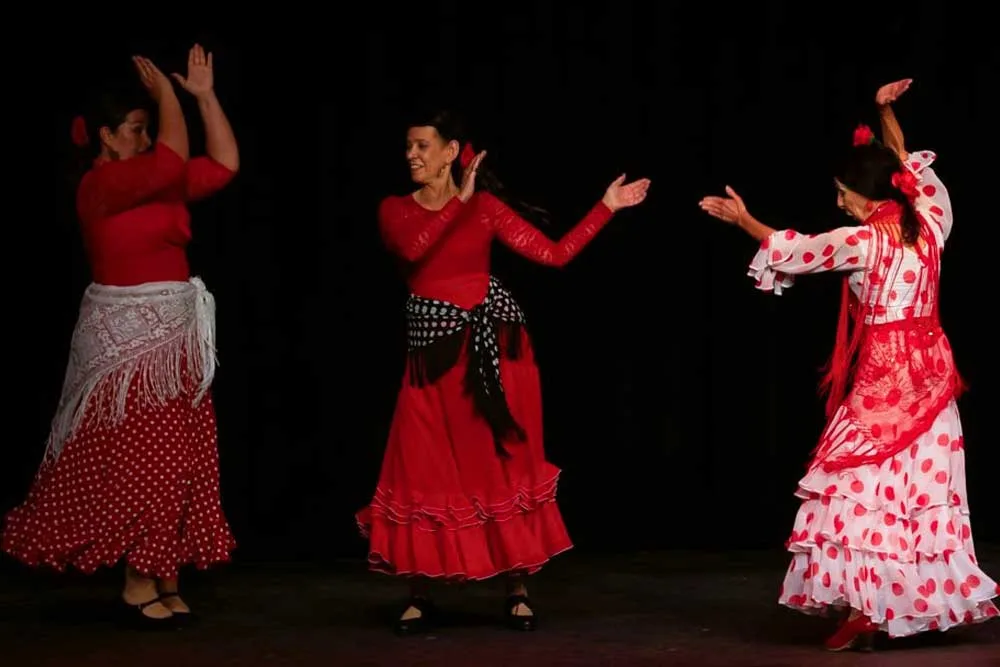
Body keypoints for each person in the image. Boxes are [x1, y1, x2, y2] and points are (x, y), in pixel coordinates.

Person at [699, 79, 998, 651]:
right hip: (931, 378)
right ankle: (909, 605)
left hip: (885, 384)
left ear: (862, 196)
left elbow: (792, 250)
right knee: (920, 494)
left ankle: (874, 607)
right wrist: (887, 111)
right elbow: (905, 160)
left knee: (860, 491)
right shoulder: (934, 219)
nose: (838, 201)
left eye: (841, 192)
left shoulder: (863, 242)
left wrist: (744, 222)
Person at [356, 108, 650, 634]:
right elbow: (414, 248)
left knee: (501, 467)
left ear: (451, 151)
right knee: (423, 470)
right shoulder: (395, 210)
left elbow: (555, 255)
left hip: (495, 357)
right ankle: (419, 588)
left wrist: (605, 207)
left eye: (423, 146)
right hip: (431, 362)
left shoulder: (485, 208)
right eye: (407, 146)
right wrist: (459, 203)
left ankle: (517, 587)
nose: (411, 156)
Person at [2, 45, 240, 628]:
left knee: (180, 456)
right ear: (106, 138)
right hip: (128, 348)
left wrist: (202, 97)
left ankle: (164, 573)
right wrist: (165, 98)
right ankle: (138, 581)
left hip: (176, 339)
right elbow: (171, 156)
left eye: (145, 129)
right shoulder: (102, 186)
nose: (144, 138)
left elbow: (225, 164)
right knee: (145, 458)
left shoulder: (156, 185)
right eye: (134, 130)